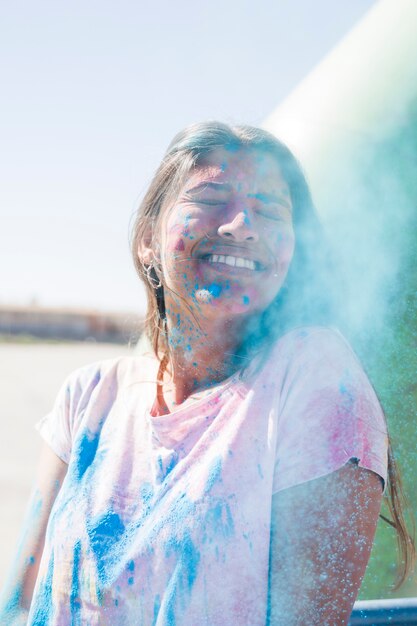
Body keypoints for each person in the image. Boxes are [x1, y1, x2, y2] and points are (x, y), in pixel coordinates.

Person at [0, 122, 414, 626]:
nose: (242, 224)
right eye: (211, 197)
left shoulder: (313, 377)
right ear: (147, 243)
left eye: (269, 209)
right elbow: (19, 607)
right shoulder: (86, 398)